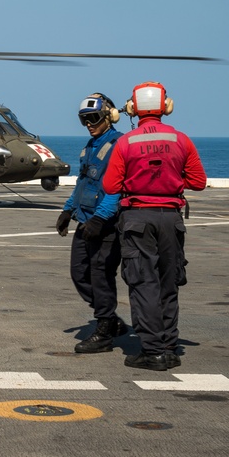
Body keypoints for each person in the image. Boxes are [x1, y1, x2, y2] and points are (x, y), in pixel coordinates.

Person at [102, 82, 206, 371]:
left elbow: (110, 185)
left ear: (133, 108)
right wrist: (170, 182)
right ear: (166, 107)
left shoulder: (126, 143)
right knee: (168, 282)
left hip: (137, 218)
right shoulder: (181, 140)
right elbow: (198, 181)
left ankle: (153, 350)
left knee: (143, 283)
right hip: (171, 218)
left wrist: (139, 184)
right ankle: (170, 346)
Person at [55, 93, 126, 353]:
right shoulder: (90, 147)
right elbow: (83, 182)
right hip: (86, 220)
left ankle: (105, 329)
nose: (89, 123)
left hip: (105, 224)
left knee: (101, 276)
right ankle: (110, 319)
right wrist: (67, 210)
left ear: (109, 116)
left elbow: (115, 190)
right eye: (84, 119)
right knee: (79, 274)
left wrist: (100, 218)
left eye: (93, 118)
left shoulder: (118, 145)